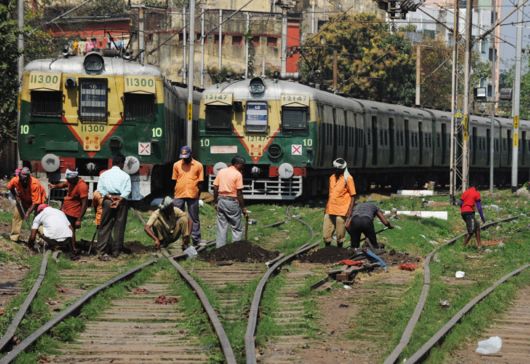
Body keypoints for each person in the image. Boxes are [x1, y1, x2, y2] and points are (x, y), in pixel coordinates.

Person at [96, 154, 131, 258]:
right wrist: (119, 199)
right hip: (121, 201)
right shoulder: (125, 176)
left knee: (105, 225)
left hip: (108, 200)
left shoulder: (104, 174)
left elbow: (100, 189)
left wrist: (110, 197)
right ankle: (116, 251)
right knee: (119, 226)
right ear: (121, 163)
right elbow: (127, 190)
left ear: (112, 163)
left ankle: (101, 250)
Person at [172, 146, 204, 246]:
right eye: (183, 157)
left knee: (194, 217)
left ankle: (196, 238)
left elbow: (201, 182)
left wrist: (198, 194)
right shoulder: (176, 165)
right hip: (179, 194)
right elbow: (174, 180)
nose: (184, 159)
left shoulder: (198, 165)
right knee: (178, 216)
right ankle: (178, 237)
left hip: (193, 194)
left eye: (186, 157)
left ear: (191, 155)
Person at [213, 156, 247, 248]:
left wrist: (215, 201)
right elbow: (239, 193)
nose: (243, 167)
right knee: (236, 228)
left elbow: (215, 187)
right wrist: (243, 208)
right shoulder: (237, 174)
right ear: (237, 164)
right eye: (242, 165)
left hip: (221, 200)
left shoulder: (221, 171)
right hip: (231, 202)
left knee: (221, 227)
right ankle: (235, 249)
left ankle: (220, 249)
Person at [49, 169, 88, 247]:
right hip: (66, 209)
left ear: (74, 177)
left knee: (70, 230)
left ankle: (73, 250)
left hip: (73, 212)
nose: (68, 181)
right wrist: (54, 186)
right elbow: (63, 184)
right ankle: (67, 246)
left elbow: (85, 204)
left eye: (69, 179)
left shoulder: (82, 186)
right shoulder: (71, 181)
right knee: (64, 229)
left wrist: (79, 219)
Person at [323, 158, 357, 247]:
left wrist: (350, 211)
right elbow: (331, 194)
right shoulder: (332, 177)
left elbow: (353, 195)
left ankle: (339, 248)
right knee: (326, 231)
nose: (336, 170)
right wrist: (326, 207)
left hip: (342, 209)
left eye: (338, 169)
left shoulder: (348, 178)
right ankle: (327, 248)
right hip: (330, 208)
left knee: (340, 232)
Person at [7, 167, 47, 242]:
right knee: (17, 216)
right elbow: (10, 187)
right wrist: (15, 196)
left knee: (38, 220)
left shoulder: (35, 184)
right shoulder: (15, 179)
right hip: (24, 199)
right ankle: (14, 238)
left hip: (38, 202)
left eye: (25, 179)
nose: (24, 181)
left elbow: (35, 202)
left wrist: (28, 213)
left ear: (29, 177)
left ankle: (41, 240)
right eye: (22, 179)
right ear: (19, 176)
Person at [459, 184, 486, 248]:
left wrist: (463, 209)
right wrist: (482, 217)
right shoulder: (476, 193)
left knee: (477, 226)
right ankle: (463, 247)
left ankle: (479, 245)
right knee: (471, 231)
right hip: (469, 213)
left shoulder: (466, 192)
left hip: (464, 212)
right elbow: (479, 207)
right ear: (477, 186)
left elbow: (460, 203)